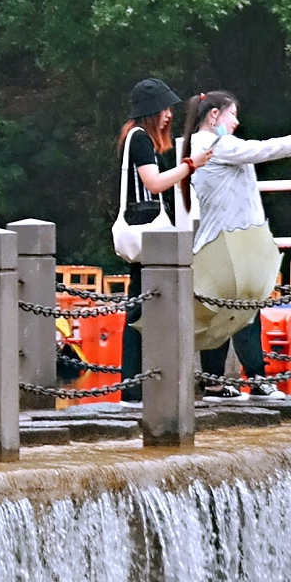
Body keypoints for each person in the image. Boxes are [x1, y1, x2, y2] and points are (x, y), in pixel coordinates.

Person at [182, 90, 291, 392]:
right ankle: (257, 378)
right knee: (244, 312)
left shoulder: (200, 144)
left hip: (219, 241)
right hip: (231, 243)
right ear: (214, 115)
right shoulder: (216, 144)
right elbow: (267, 150)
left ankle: (214, 383)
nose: (236, 122)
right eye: (232, 114)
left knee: (221, 313)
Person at [115, 77, 189, 388]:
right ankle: (133, 385)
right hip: (147, 231)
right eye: (164, 109)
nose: (169, 115)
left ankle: (136, 384)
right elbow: (154, 183)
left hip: (142, 228)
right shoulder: (141, 139)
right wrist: (189, 166)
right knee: (140, 309)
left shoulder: (133, 137)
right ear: (151, 112)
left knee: (141, 306)